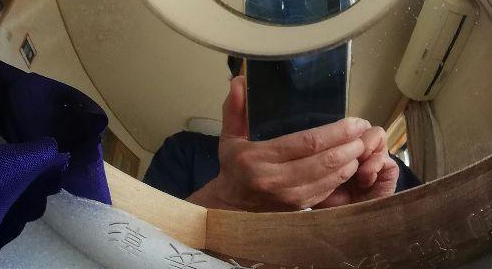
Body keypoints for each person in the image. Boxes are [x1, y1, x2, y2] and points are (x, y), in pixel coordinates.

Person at [143, 69, 419, 211]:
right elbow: (136, 242)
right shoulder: (184, 150)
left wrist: (370, 217)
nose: (291, 82)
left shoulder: (377, 170)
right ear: (238, 79)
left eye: (308, 70)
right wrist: (223, 198)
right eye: (270, 69)